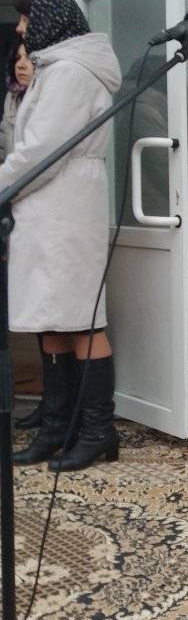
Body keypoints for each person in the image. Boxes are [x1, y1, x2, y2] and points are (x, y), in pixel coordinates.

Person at [0, 0, 122, 471]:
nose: (20, 28)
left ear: (49, 18)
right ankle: (57, 428)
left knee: (83, 319)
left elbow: (41, 151)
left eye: (26, 18)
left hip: (67, 206)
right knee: (51, 317)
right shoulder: (56, 67)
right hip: (47, 207)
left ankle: (97, 432)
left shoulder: (71, 71)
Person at [1, 38, 46, 431]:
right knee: (32, 308)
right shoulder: (13, 99)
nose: (21, 64)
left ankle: (56, 403)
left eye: (29, 58)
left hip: (41, 209)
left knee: (50, 314)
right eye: (17, 58)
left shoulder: (48, 98)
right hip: (15, 206)